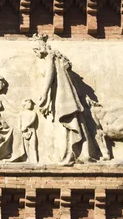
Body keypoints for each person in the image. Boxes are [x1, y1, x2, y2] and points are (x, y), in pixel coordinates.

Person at [33, 33, 91, 165]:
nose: (36, 52)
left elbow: (49, 76)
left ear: (42, 47)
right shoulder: (56, 58)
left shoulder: (50, 57)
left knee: (65, 124)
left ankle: (67, 155)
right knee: (70, 123)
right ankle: (73, 153)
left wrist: (44, 94)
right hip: (63, 95)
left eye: (36, 48)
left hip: (61, 97)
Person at [19, 99, 38, 163]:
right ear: (25, 104)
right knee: (26, 146)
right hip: (24, 132)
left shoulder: (33, 113)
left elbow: (32, 121)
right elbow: (20, 123)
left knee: (33, 146)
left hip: (32, 131)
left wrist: (26, 126)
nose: (30, 104)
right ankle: (28, 159)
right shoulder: (21, 113)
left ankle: (35, 160)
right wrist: (21, 129)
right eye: (29, 103)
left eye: (31, 103)